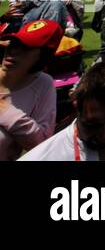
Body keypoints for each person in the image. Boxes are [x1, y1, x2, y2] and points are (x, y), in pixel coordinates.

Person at [0, 19, 60, 160]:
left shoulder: (43, 85)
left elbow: (42, 144)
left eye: (25, 47)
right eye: (14, 43)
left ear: (43, 57)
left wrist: (7, 112)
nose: (13, 51)